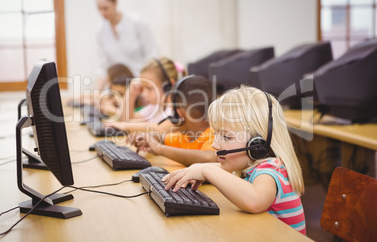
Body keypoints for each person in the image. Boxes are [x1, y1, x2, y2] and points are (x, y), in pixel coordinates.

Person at [162, 85, 306, 235]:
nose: (214, 144)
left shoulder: (270, 170)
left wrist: (207, 170)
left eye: (226, 136)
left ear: (257, 144)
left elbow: (255, 200)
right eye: (215, 134)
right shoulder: (250, 167)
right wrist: (200, 169)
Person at [133, 75, 218, 167]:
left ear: (179, 115)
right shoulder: (186, 136)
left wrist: (160, 149)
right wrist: (146, 137)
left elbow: (209, 158)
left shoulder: (214, 134)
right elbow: (161, 138)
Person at [95, 0, 158, 91]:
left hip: (140, 86)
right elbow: (103, 66)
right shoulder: (101, 30)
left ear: (115, 2)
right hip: (117, 88)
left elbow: (152, 55)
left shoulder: (137, 22)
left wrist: (146, 85)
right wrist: (96, 92)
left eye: (105, 8)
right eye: (99, 9)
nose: (102, 13)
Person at [104, 57, 178, 132]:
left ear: (168, 86)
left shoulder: (176, 111)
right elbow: (126, 120)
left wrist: (125, 125)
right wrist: (131, 91)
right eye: (142, 88)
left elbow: (161, 128)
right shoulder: (154, 108)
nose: (144, 94)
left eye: (149, 88)